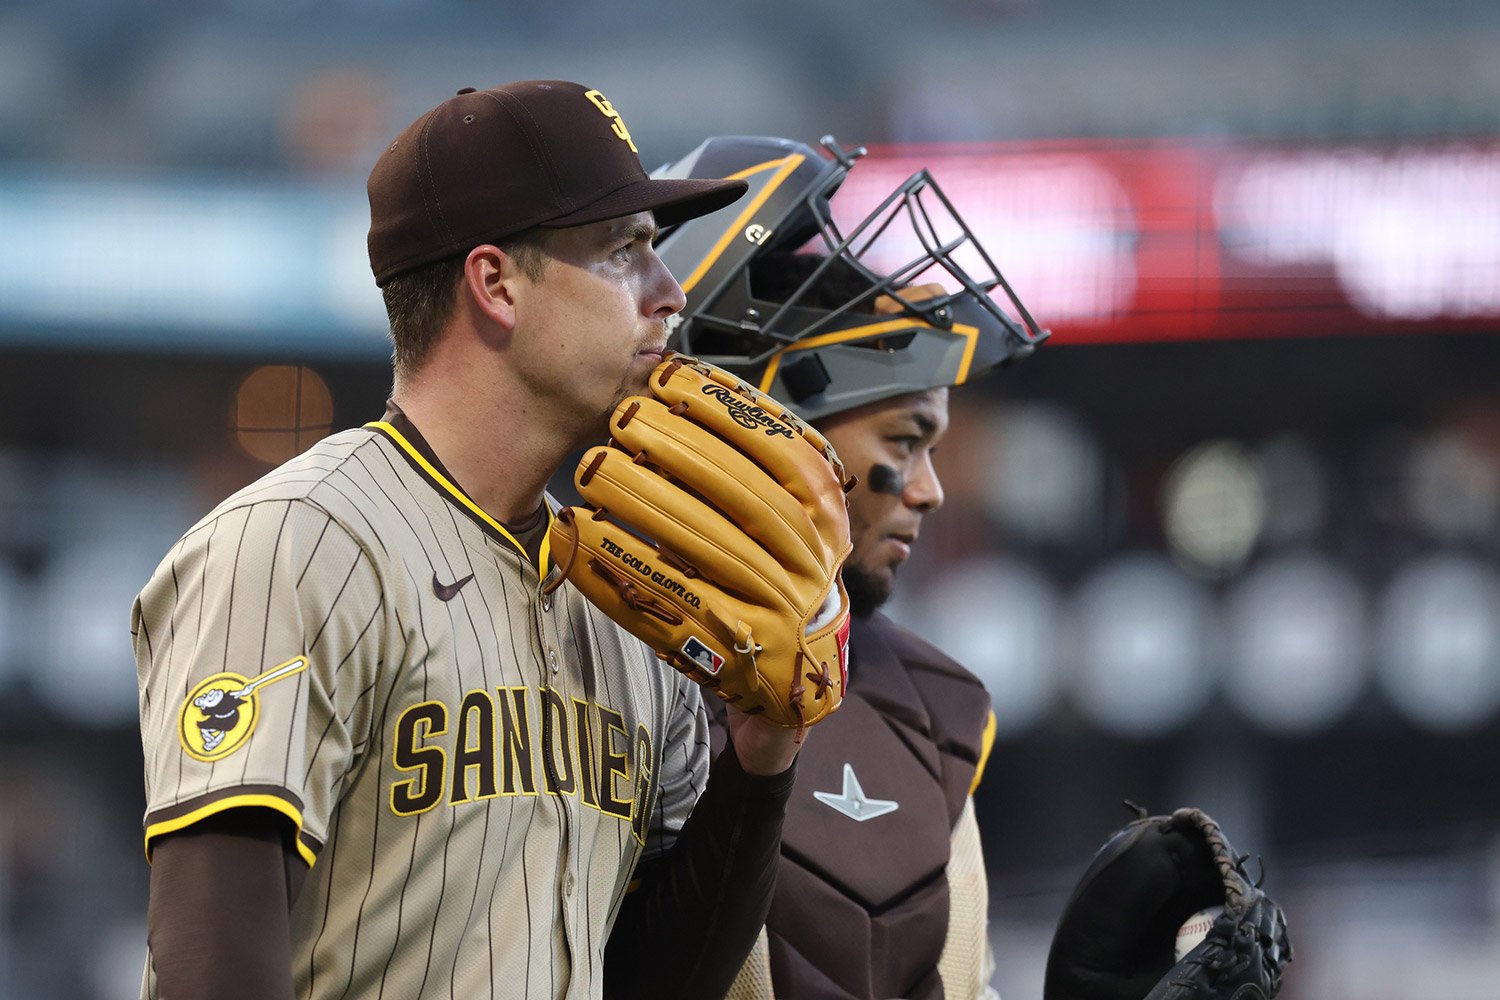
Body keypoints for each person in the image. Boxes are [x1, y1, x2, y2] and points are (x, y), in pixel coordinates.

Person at [131, 81, 825, 1000]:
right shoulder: (296, 544)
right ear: (495, 283)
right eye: (626, 252)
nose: (671, 293)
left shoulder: (630, 597)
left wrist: (763, 753)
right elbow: (211, 967)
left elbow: (662, 984)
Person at [652, 135, 1048, 999]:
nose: (932, 492)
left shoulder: (941, 707)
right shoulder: (583, 654)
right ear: (762, 422)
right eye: (906, 442)